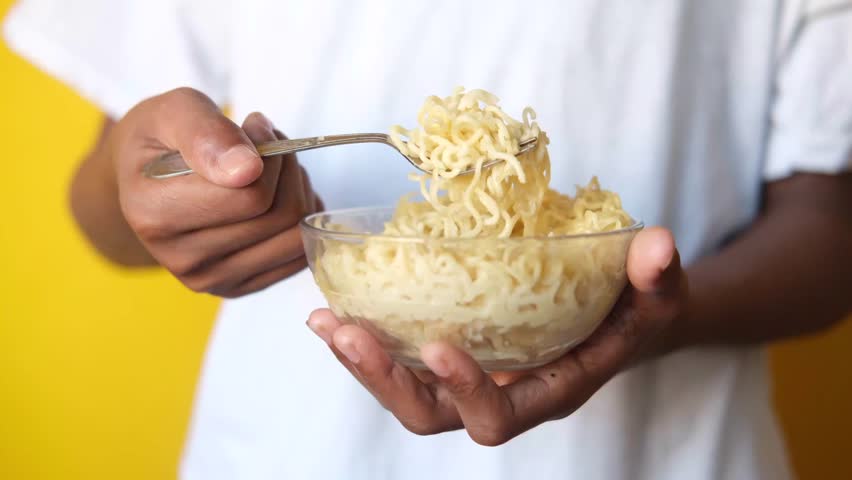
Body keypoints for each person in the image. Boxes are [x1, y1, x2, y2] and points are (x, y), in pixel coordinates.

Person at [5, 0, 851, 478]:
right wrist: (154, 190)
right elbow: (104, 200)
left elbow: (830, 225)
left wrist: (667, 316)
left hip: (671, 456)